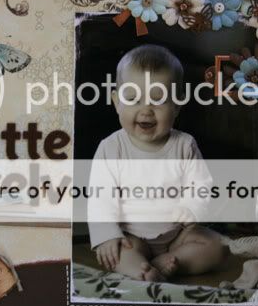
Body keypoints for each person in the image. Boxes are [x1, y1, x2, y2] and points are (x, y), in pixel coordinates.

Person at [88, 44, 228, 282]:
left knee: (217, 248)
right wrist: (107, 234)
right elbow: (100, 197)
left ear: (177, 105)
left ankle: (173, 261)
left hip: (177, 236)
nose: (146, 110)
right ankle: (141, 269)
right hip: (132, 236)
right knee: (116, 252)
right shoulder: (111, 147)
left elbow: (201, 184)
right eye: (133, 99)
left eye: (158, 100)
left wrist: (191, 207)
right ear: (117, 102)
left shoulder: (184, 145)